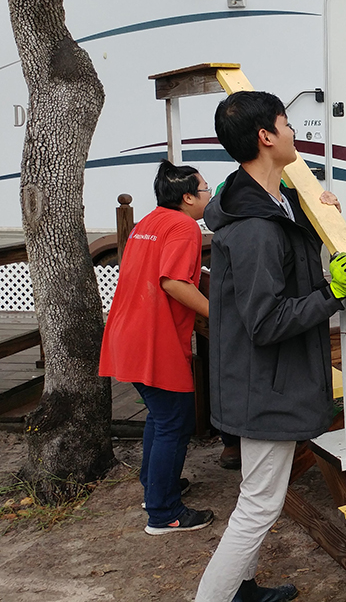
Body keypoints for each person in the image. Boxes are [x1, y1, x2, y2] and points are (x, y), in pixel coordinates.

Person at [195, 91, 346, 602]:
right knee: (259, 504)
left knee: (257, 496)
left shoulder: (272, 200)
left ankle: (242, 589)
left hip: (266, 381)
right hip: (263, 386)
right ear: (266, 138)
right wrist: (331, 293)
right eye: (287, 124)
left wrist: (321, 217)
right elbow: (265, 321)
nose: (295, 132)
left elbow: (290, 244)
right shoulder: (253, 229)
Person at [99, 159, 214, 535]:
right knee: (175, 420)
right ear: (187, 197)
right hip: (153, 339)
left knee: (161, 417)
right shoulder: (184, 226)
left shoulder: (148, 222)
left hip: (125, 333)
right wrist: (219, 314)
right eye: (205, 190)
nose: (208, 195)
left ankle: (155, 489)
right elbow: (173, 282)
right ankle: (165, 513)